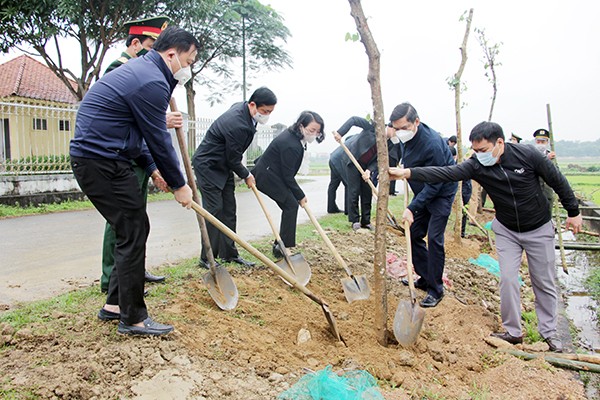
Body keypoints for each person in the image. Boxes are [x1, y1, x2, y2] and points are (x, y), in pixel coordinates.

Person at [389, 121, 582, 352]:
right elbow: (446, 172)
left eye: (482, 150)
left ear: (499, 143)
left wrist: (574, 212)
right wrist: (408, 172)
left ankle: (549, 334)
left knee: (544, 281)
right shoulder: (477, 165)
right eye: (475, 151)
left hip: (538, 228)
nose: (479, 156)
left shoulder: (528, 155)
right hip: (507, 230)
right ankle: (513, 332)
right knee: (508, 279)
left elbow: (557, 180)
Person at [70, 26, 199, 336]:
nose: (190, 67)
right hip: (102, 162)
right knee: (133, 229)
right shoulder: (151, 81)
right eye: (190, 60)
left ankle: (115, 304)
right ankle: (134, 318)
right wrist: (180, 184)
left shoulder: (145, 73)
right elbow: (157, 137)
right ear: (172, 55)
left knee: (130, 228)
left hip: (103, 159)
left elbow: (136, 134)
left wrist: (154, 170)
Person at [99, 16, 176, 293]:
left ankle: (134, 271)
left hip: (139, 158)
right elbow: (126, 120)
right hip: (121, 159)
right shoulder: (119, 70)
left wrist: (154, 168)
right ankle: (112, 278)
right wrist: (161, 121)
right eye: (152, 45)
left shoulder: (149, 76)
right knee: (122, 222)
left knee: (138, 220)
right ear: (135, 44)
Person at [192, 87, 277, 268]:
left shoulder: (244, 110)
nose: (267, 115)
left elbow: (230, 158)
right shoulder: (237, 124)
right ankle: (207, 258)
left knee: (229, 209)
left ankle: (229, 254)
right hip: (208, 165)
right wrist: (247, 175)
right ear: (252, 105)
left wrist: (244, 173)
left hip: (223, 166)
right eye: (265, 111)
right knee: (214, 210)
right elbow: (233, 158)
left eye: (270, 112)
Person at [389, 103, 457, 308]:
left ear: (416, 122)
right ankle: (425, 278)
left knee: (435, 239)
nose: (399, 132)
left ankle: (436, 289)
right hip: (422, 191)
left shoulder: (432, 144)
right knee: (414, 233)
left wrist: (412, 207)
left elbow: (435, 183)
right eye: (396, 128)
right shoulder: (404, 136)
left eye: (403, 128)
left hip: (441, 192)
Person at [252, 111, 325, 257]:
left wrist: (296, 194)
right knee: (291, 205)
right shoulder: (291, 144)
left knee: (290, 205)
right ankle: (283, 247)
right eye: (312, 130)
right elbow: (287, 176)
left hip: (272, 174)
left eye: (318, 131)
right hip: (266, 176)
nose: (314, 134)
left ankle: (281, 245)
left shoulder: (295, 137)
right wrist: (300, 195)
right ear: (301, 125)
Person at [333, 116, 397, 231]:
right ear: (391, 127)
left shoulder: (390, 144)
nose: (397, 134)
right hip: (353, 160)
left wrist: (369, 170)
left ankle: (366, 221)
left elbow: (379, 159)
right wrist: (340, 133)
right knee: (354, 190)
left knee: (367, 191)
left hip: (366, 166)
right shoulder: (374, 127)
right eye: (396, 131)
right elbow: (353, 120)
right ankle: (355, 221)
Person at [327, 134, 359, 215]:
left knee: (333, 184)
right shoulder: (357, 140)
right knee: (349, 184)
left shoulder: (354, 139)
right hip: (339, 161)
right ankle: (349, 210)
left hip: (333, 159)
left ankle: (331, 208)